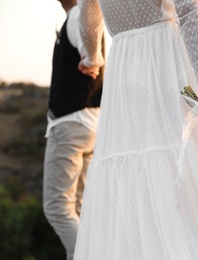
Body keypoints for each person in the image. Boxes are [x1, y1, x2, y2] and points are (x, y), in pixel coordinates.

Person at [74, 0, 198, 259]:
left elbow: (88, 14)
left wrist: (92, 57)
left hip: (123, 71)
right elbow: (190, 8)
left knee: (141, 178)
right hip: (164, 64)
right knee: (185, 171)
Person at [42, 1, 104, 259]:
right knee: (79, 207)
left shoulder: (80, 14)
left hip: (69, 125)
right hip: (90, 124)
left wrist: (90, 58)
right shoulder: (78, 15)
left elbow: (89, 50)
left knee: (57, 207)